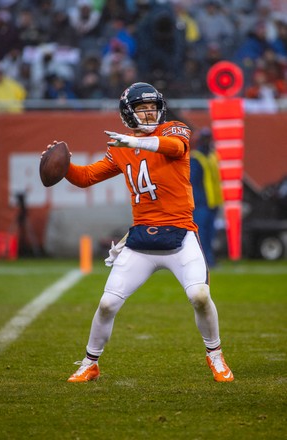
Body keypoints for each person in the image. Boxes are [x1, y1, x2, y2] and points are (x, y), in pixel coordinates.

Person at [43, 82, 233, 383]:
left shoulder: (174, 130)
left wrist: (136, 144)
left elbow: (176, 148)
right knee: (107, 304)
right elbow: (86, 177)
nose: (149, 114)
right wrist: (63, 166)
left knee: (199, 295)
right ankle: (90, 363)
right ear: (128, 115)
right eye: (142, 109)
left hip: (180, 234)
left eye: (153, 108)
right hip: (141, 239)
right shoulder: (121, 148)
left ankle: (216, 356)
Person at [190, 128, 223, 267]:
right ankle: (202, 260)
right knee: (201, 233)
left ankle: (210, 259)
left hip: (213, 202)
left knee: (210, 233)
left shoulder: (213, 155)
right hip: (201, 202)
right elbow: (193, 180)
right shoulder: (196, 157)